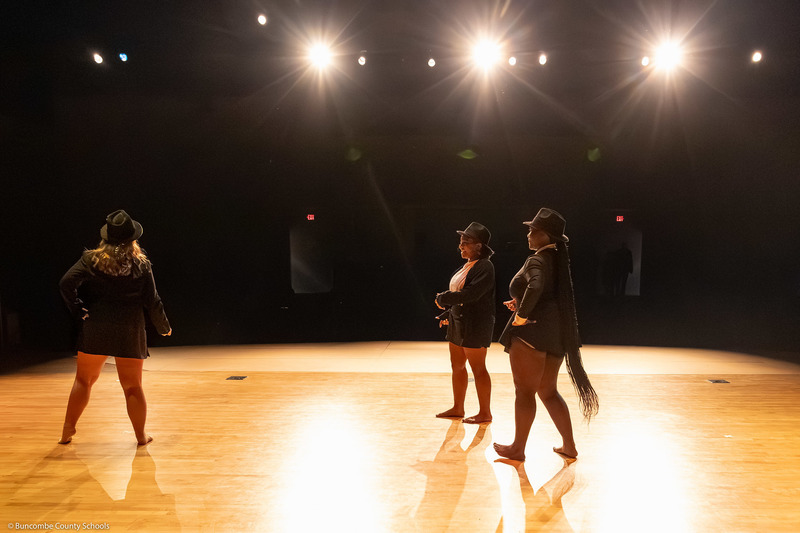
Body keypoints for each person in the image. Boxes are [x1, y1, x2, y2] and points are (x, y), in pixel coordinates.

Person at [58, 210, 172, 445]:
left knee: (83, 380)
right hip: (129, 330)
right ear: (133, 239)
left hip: (97, 327)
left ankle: (67, 430)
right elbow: (153, 300)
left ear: (106, 237)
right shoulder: (141, 264)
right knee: (132, 386)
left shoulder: (91, 260)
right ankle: (141, 436)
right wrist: (163, 326)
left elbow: (66, 282)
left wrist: (78, 310)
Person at [493, 208, 598, 462]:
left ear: (546, 235)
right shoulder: (557, 260)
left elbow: (536, 285)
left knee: (525, 392)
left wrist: (521, 316)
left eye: (533, 230)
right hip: (557, 336)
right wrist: (519, 303)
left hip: (531, 336)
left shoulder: (536, 260)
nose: (528, 234)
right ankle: (569, 446)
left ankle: (518, 448)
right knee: (548, 391)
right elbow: (548, 296)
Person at [434, 222, 496, 424]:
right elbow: (462, 298)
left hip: (475, 324)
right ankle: (458, 407)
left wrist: (444, 299)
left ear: (479, 246)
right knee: (457, 366)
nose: (461, 247)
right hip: (459, 322)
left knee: (478, 369)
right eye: (460, 243)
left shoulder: (485, 266)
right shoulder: (467, 265)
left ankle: (485, 412)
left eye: (466, 243)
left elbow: (471, 295)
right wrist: (448, 313)